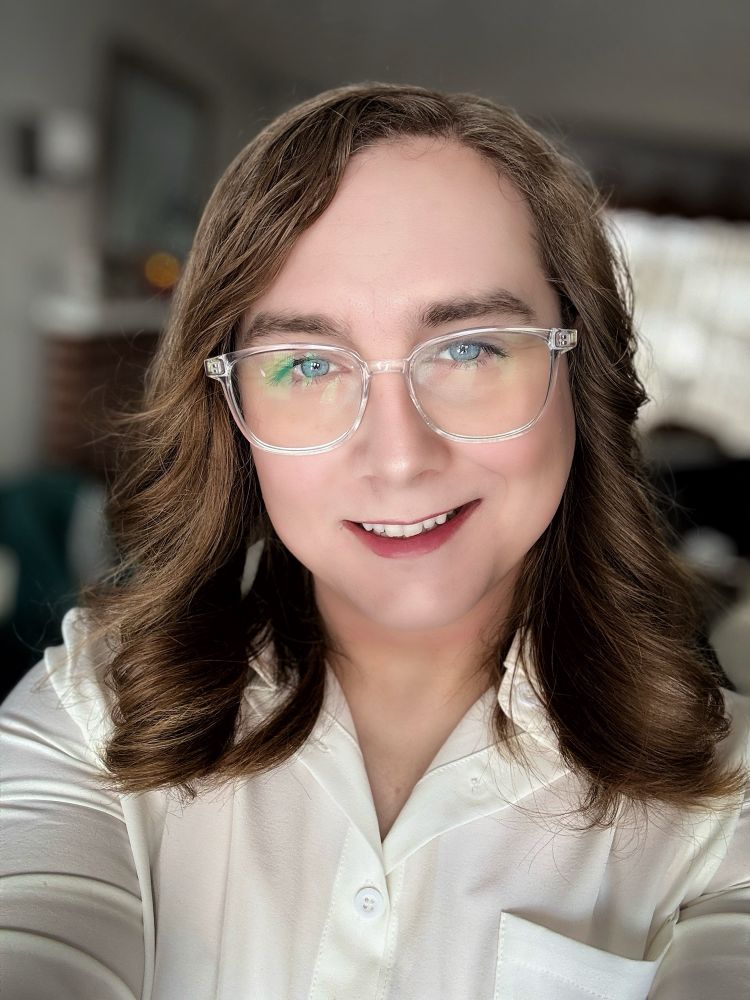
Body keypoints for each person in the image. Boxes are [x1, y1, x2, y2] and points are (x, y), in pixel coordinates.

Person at [1, 83, 748, 1000]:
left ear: (577, 372)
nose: (398, 457)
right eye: (309, 364)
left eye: (471, 348)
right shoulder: (92, 723)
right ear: (232, 415)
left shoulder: (728, 798)